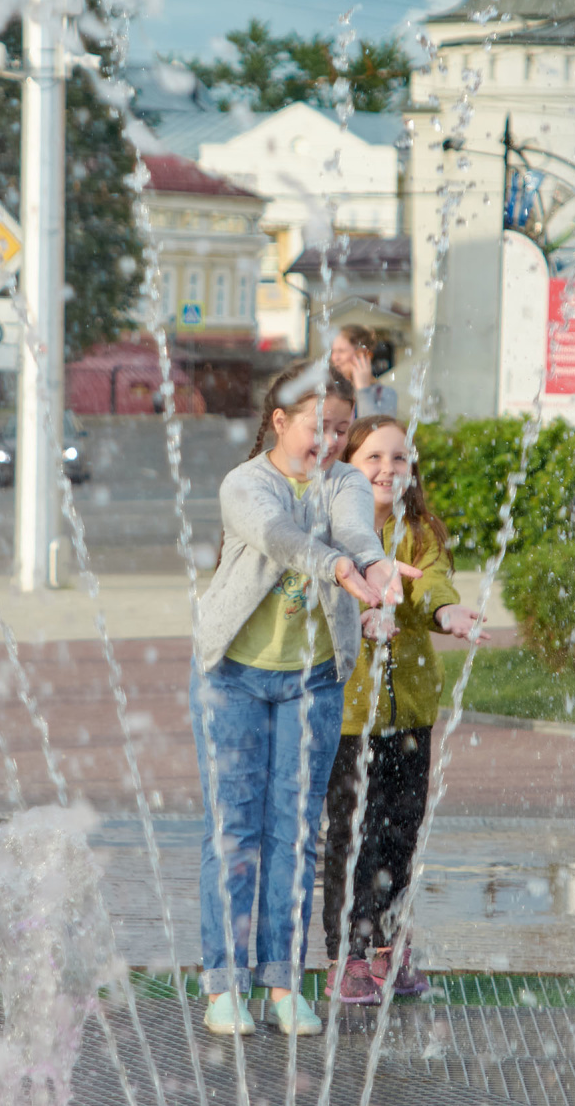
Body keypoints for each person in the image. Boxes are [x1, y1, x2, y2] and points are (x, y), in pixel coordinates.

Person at [190, 365, 418, 1038]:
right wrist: (342, 569)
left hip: (310, 681)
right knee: (236, 832)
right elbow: (280, 539)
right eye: (318, 425)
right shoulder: (246, 483)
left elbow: (354, 529)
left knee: (293, 835)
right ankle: (226, 984)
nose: (331, 438)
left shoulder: (346, 481)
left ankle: (285, 983)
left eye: (342, 429)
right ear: (280, 421)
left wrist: (372, 562)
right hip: (232, 676)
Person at [322, 415, 487, 1006]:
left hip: (410, 712)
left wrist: (447, 613)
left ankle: (392, 945)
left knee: (400, 831)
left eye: (398, 458)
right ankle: (347, 955)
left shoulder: (420, 533)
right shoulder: (336, 532)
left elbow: (431, 584)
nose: (387, 469)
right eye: (373, 457)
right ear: (348, 466)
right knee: (352, 836)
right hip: (348, 714)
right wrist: (360, 611)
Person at [330, 325, 399, 417]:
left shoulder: (384, 394)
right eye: (333, 352)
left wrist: (363, 390)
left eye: (341, 351)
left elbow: (373, 429)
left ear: (362, 354)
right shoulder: (330, 390)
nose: (335, 358)